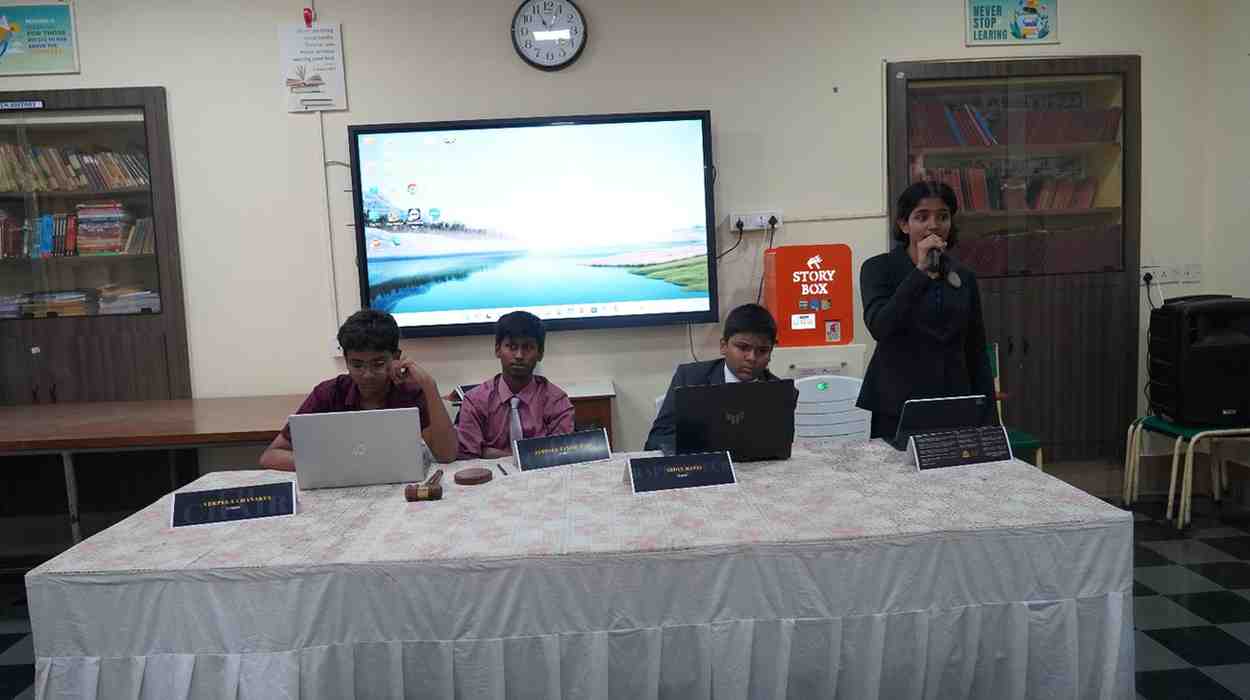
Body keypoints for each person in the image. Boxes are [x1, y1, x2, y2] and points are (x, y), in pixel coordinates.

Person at [856, 180, 994, 440]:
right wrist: (920, 272)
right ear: (904, 224)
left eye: (943, 216)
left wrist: (989, 422)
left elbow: (976, 350)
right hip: (897, 404)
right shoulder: (878, 268)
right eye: (922, 217)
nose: (933, 225)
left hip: (954, 402)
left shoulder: (963, 276)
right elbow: (880, 326)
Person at [259, 309, 458, 470]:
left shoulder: (411, 393)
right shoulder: (328, 393)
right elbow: (271, 455)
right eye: (357, 365)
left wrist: (429, 385)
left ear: (396, 358)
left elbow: (447, 454)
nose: (367, 374)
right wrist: (331, 465)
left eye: (378, 364)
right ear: (346, 360)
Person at [644, 303, 782, 454]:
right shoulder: (689, 378)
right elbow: (658, 439)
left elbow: (781, 446)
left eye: (762, 350)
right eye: (743, 347)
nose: (752, 358)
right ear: (723, 346)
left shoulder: (779, 392)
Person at [456, 310, 575, 459]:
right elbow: (469, 456)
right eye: (512, 347)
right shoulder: (475, 401)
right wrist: (534, 455)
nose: (519, 355)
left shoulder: (556, 401)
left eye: (527, 347)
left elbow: (560, 454)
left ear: (540, 353)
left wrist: (489, 452)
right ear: (497, 350)